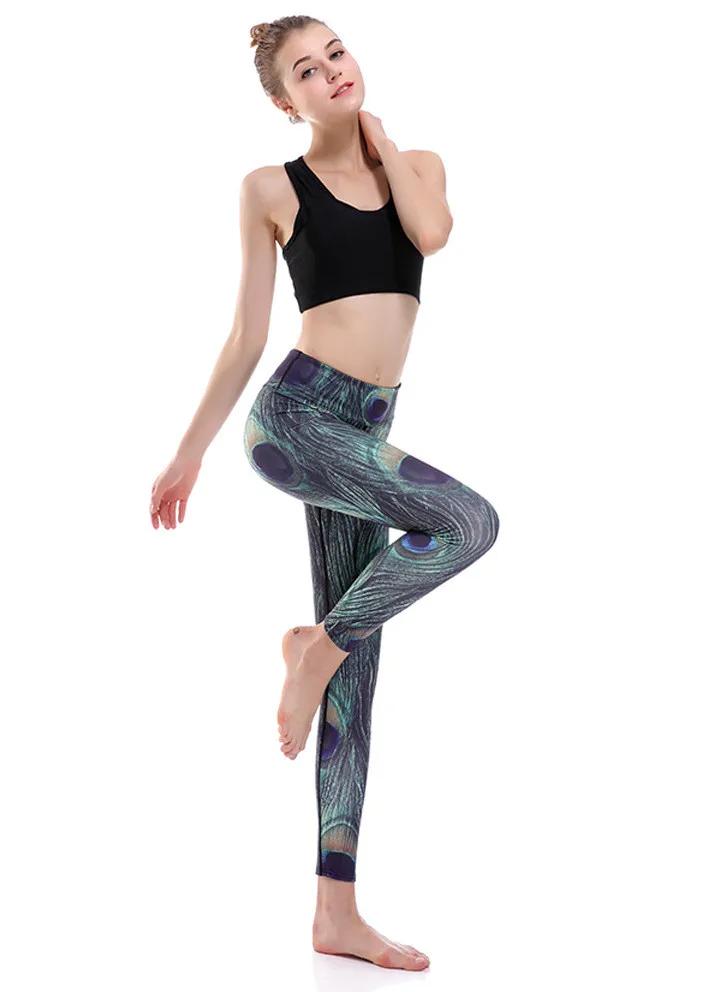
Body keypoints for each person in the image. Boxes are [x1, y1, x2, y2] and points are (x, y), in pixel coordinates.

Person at [149, 15, 500, 972]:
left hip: (368, 430)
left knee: (359, 677)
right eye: (306, 71)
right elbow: (245, 335)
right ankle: (317, 647)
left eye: (336, 53)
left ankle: (335, 913)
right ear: (283, 102)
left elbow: (432, 233)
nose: (331, 72)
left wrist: (379, 137)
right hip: (298, 420)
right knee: (468, 522)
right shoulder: (270, 188)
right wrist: (189, 454)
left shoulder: (418, 164)